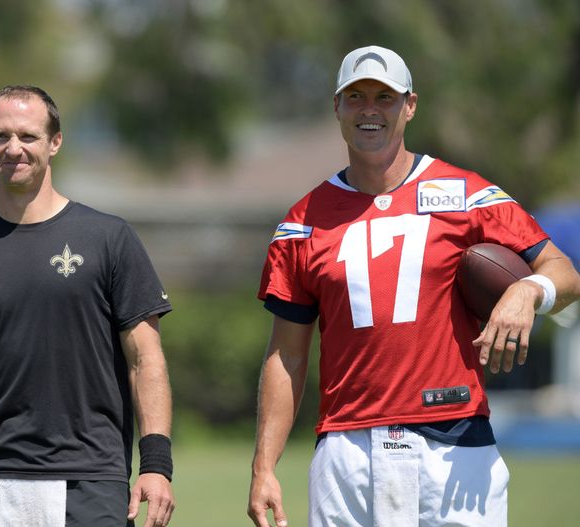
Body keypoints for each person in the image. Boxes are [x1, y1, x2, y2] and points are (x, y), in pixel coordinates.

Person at [247, 46, 580, 527]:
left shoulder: (465, 194)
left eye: (385, 97)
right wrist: (263, 469)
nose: (369, 109)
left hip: (454, 445)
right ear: (336, 106)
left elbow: (564, 273)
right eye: (356, 96)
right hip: (347, 452)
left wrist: (527, 291)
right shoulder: (302, 222)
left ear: (410, 106)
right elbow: (286, 355)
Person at [0, 85, 175, 527]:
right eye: (1, 136)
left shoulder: (109, 240)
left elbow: (145, 360)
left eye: (28, 136)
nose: (13, 148)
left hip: (90, 480)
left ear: (55, 143)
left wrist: (156, 465)